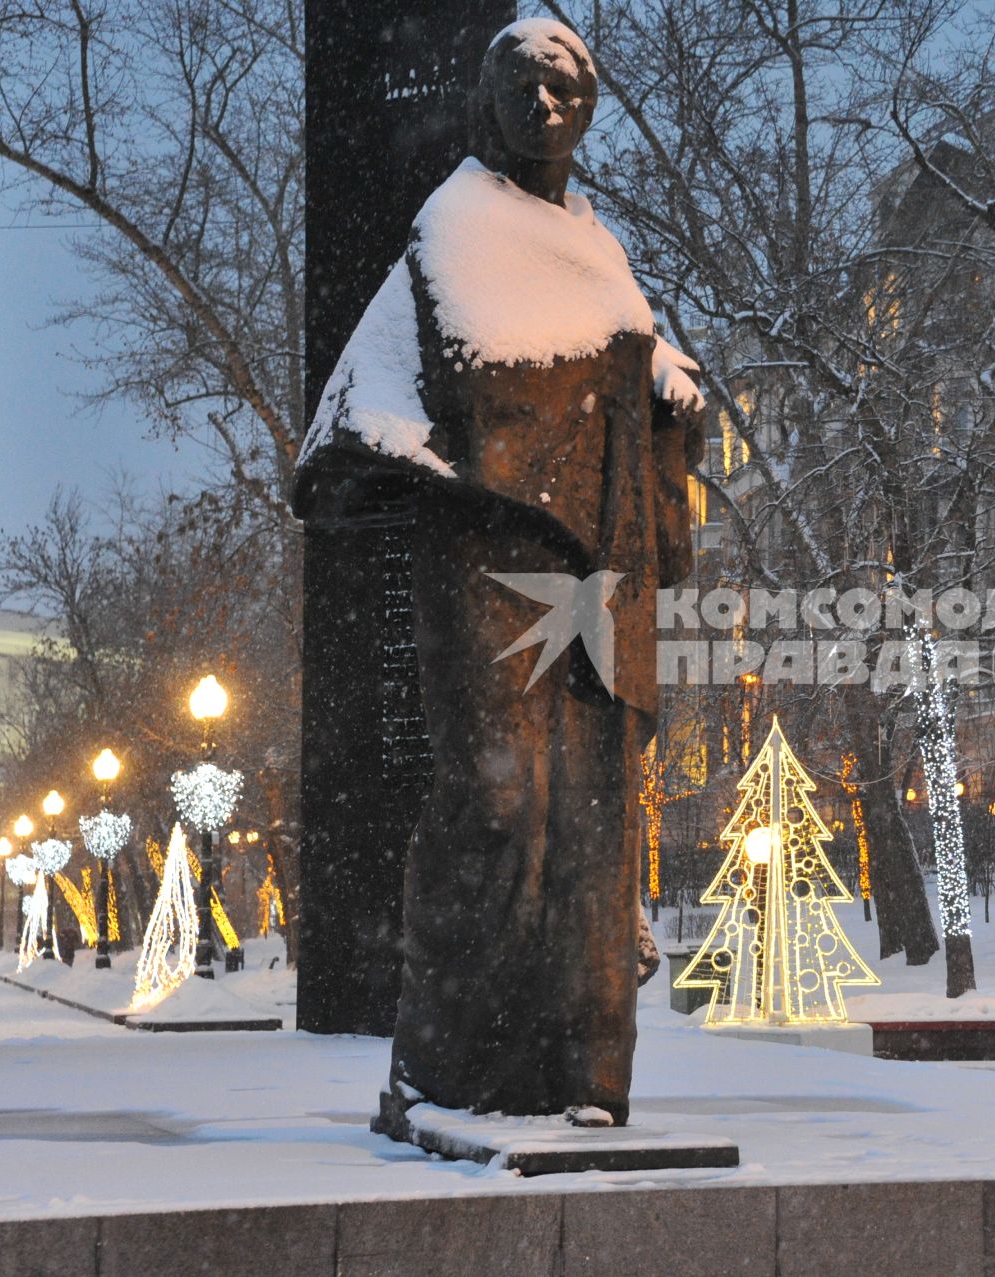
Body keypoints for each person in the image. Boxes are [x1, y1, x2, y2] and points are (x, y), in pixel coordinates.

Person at [295, 18, 702, 1128]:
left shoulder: (598, 248)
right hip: (487, 559)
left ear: (590, 112)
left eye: (568, 91)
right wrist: (589, 387)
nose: (546, 107)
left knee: (591, 813)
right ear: (490, 99)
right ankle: (448, 1068)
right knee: (497, 801)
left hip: (597, 569)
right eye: (525, 85)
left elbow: (613, 357)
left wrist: (663, 385)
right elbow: (467, 375)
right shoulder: (457, 224)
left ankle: (579, 1069)